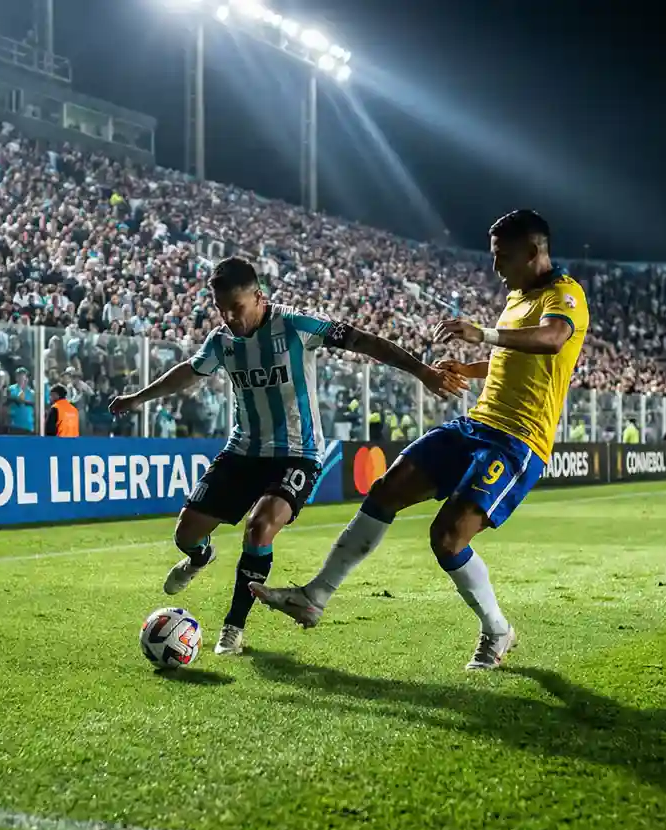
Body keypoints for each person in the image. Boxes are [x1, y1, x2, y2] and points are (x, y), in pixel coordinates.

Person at [252, 210, 590, 670]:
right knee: (386, 489)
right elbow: (515, 361)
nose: (495, 268)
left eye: (503, 257)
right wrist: (469, 368)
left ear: (534, 252)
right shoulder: (517, 297)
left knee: (447, 538)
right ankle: (315, 597)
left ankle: (497, 630)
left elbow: (551, 341)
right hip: (475, 425)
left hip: (516, 441)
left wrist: (483, 333)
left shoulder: (565, 295)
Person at [109, 257, 463, 657]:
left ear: (259, 297)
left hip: (297, 454)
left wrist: (421, 371)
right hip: (242, 452)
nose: (229, 319)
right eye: (221, 310)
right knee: (185, 535)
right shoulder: (221, 343)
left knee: (260, 528)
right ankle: (200, 557)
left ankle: (233, 627)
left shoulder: (296, 325)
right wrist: (137, 398)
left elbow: (364, 341)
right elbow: (190, 373)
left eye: (236, 309)